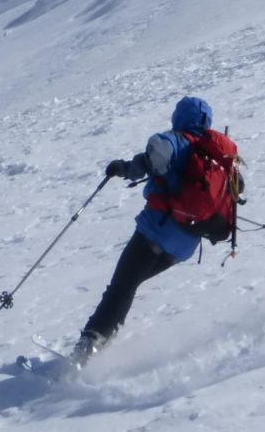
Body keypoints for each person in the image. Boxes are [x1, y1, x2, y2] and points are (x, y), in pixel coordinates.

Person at [75, 94, 233, 361]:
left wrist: (124, 168)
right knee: (128, 284)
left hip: (156, 230)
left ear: (180, 116)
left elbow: (154, 158)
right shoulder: (217, 154)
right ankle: (102, 338)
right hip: (185, 245)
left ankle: (88, 347)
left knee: (121, 286)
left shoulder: (175, 139)